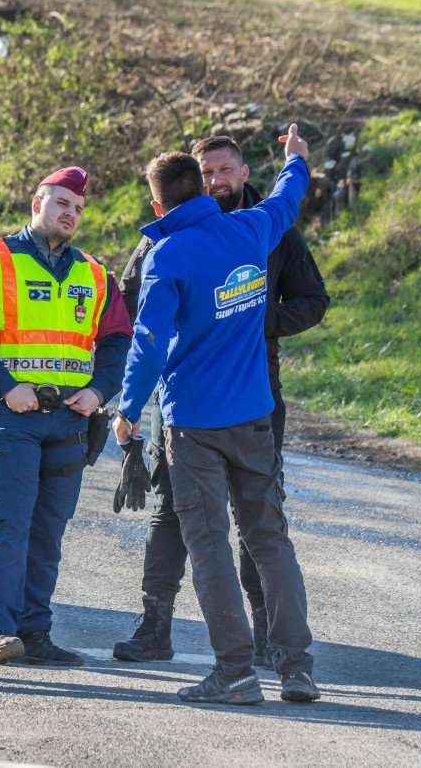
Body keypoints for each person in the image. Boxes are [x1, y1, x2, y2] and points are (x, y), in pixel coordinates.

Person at [113, 125, 320, 705]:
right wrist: (295, 160)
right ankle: (297, 667)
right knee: (268, 537)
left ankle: (234, 671)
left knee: (207, 544)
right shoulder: (251, 229)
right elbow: (286, 198)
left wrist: (127, 411)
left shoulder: (165, 255)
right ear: (203, 191)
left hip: (195, 426)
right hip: (256, 415)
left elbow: (148, 342)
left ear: (159, 204)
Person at [0, 166, 132, 666]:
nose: (69, 214)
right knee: (8, 527)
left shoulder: (95, 275)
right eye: (61, 204)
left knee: (49, 532)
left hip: (70, 420)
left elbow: (117, 340)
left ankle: (36, 632)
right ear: (37, 205)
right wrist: (7, 386)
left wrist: (99, 391)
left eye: (77, 208)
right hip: (13, 417)